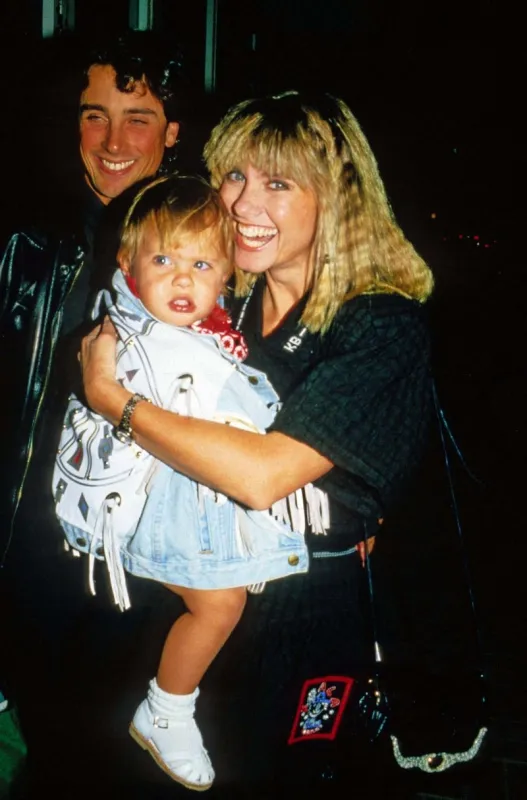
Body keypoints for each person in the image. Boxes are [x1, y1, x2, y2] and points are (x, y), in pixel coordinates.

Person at [80, 90, 434, 796]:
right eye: (234, 175)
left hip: (309, 617)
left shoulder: (380, 326)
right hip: (195, 598)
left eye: (277, 182)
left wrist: (114, 402)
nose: (242, 204)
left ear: (337, 196)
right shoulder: (217, 299)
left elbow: (262, 476)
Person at [55, 174, 325, 790]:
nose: (182, 278)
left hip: (174, 499)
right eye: (164, 259)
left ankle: (169, 707)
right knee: (220, 604)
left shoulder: (208, 327)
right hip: (153, 505)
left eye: (202, 263)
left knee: (226, 603)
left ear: (227, 276)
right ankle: (168, 708)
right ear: (127, 262)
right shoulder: (144, 335)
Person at [0, 30, 188, 794]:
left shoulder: (214, 249)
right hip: (38, 556)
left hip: (154, 567)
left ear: (173, 133)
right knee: (55, 750)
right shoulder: (27, 242)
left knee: (126, 758)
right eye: (93, 116)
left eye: (137, 117)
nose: (113, 141)